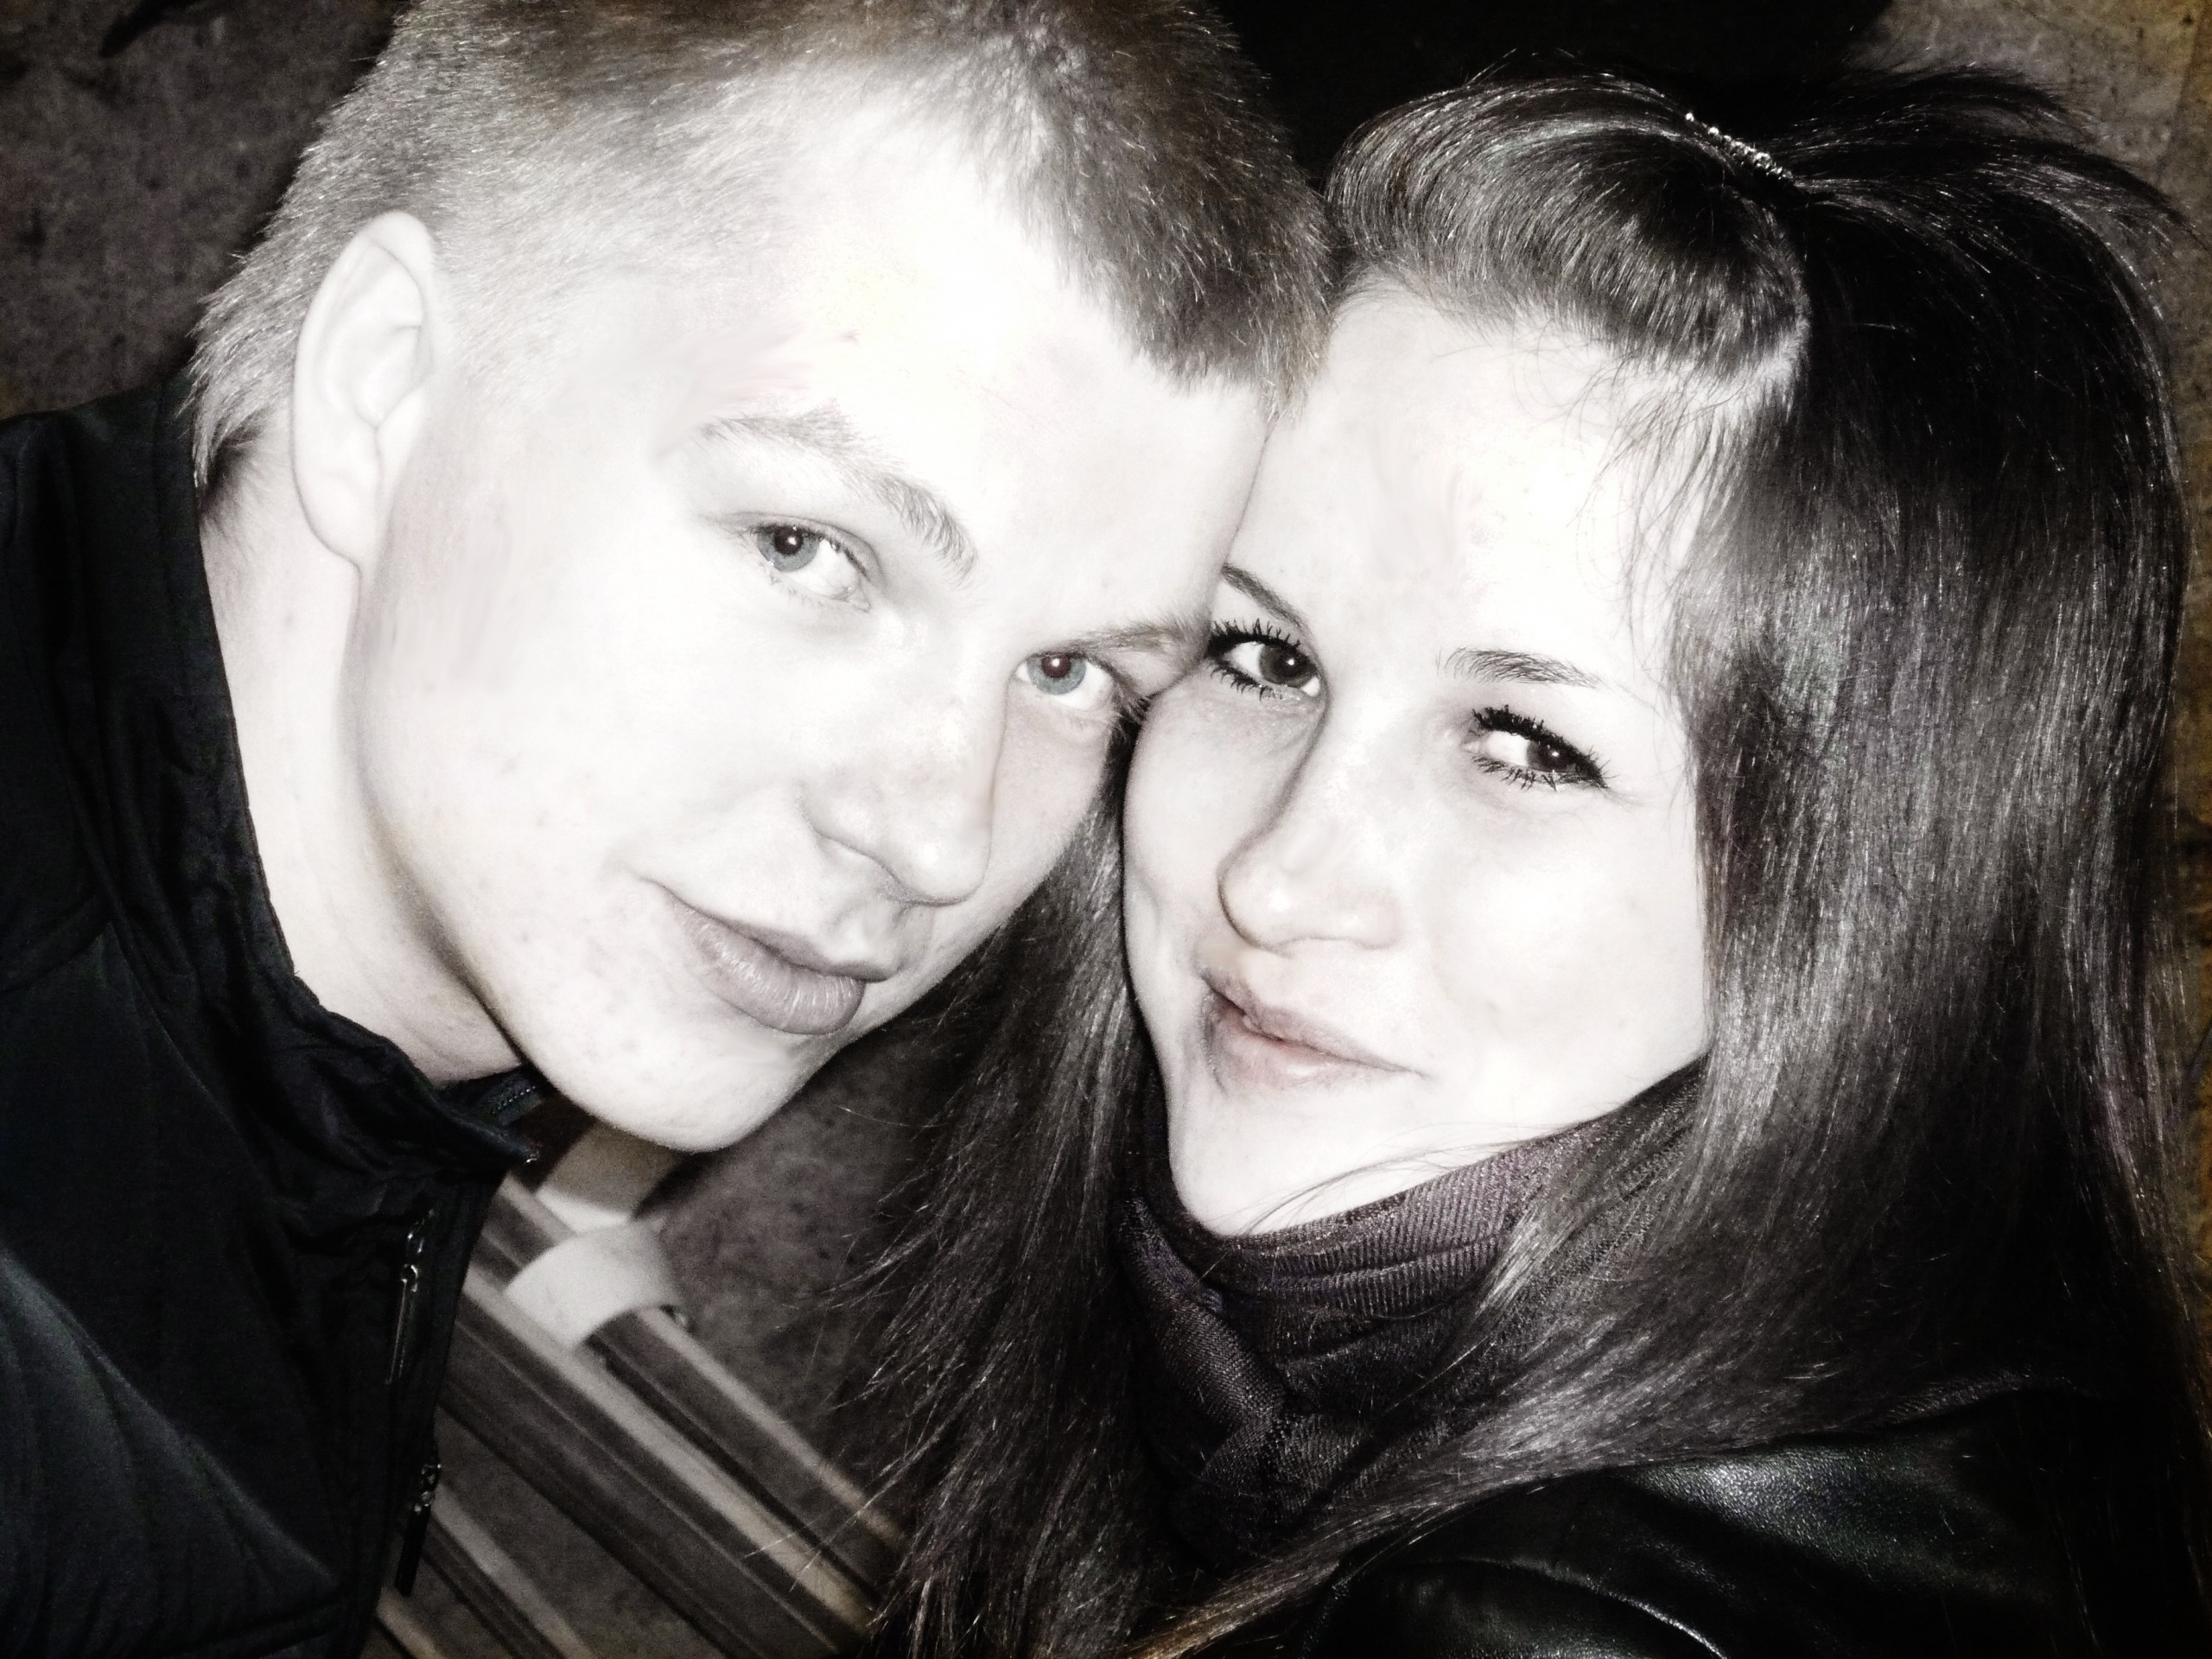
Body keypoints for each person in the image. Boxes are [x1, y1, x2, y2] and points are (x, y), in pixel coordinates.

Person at [0, 1, 1326, 1653]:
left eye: (1070, 674)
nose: (939, 838)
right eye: (805, 549)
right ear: (381, 381)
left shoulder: (346, 945)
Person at [865, 67, 2212, 1656]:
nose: (1277, 880)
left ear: (1870, 891)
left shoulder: (1551, 1624)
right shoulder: (1978, 1372)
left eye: (1525, 747)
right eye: (1262, 658)